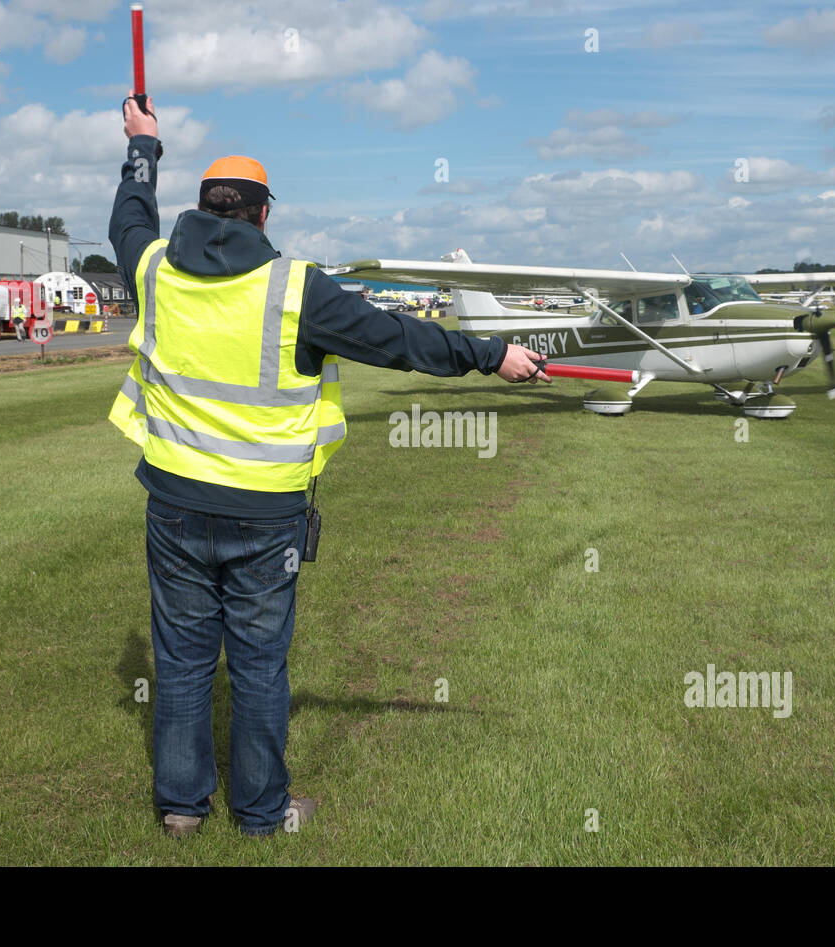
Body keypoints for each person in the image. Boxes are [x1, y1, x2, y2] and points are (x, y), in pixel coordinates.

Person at [108, 94, 549, 839]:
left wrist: (142, 146)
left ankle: (182, 810)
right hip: (264, 512)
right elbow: (401, 340)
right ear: (262, 216)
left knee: (181, 663)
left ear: (204, 210)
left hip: (175, 504)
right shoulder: (296, 289)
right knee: (256, 668)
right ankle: (258, 814)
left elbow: (128, 216)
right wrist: (490, 354)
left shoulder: (153, 268)